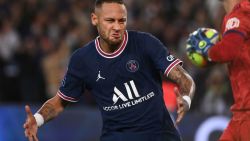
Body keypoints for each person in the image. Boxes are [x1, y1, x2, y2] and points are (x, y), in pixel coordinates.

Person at [23, 0, 195, 141]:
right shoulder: (82, 60)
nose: (117, 27)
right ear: (94, 19)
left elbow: (183, 78)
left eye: (122, 21)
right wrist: (37, 120)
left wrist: (186, 98)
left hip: (161, 136)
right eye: (110, 21)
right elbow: (59, 103)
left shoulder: (145, 44)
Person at [188, 0, 250, 140]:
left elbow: (228, 50)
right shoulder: (234, 16)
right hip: (241, 112)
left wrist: (206, 51)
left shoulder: (241, 12)